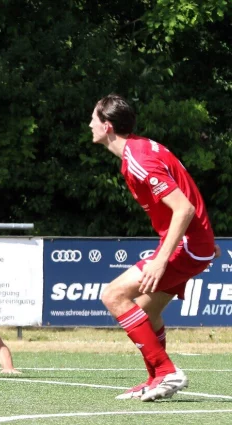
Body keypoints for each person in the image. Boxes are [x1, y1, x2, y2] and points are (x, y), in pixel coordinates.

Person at [90, 94, 218, 401]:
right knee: (145, 314)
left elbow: (184, 209)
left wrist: (161, 260)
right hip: (192, 244)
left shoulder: (139, 159)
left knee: (113, 294)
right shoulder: (139, 150)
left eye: (93, 118)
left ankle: (167, 371)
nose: (89, 124)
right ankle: (155, 379)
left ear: (107, 126)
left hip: (185, 245)